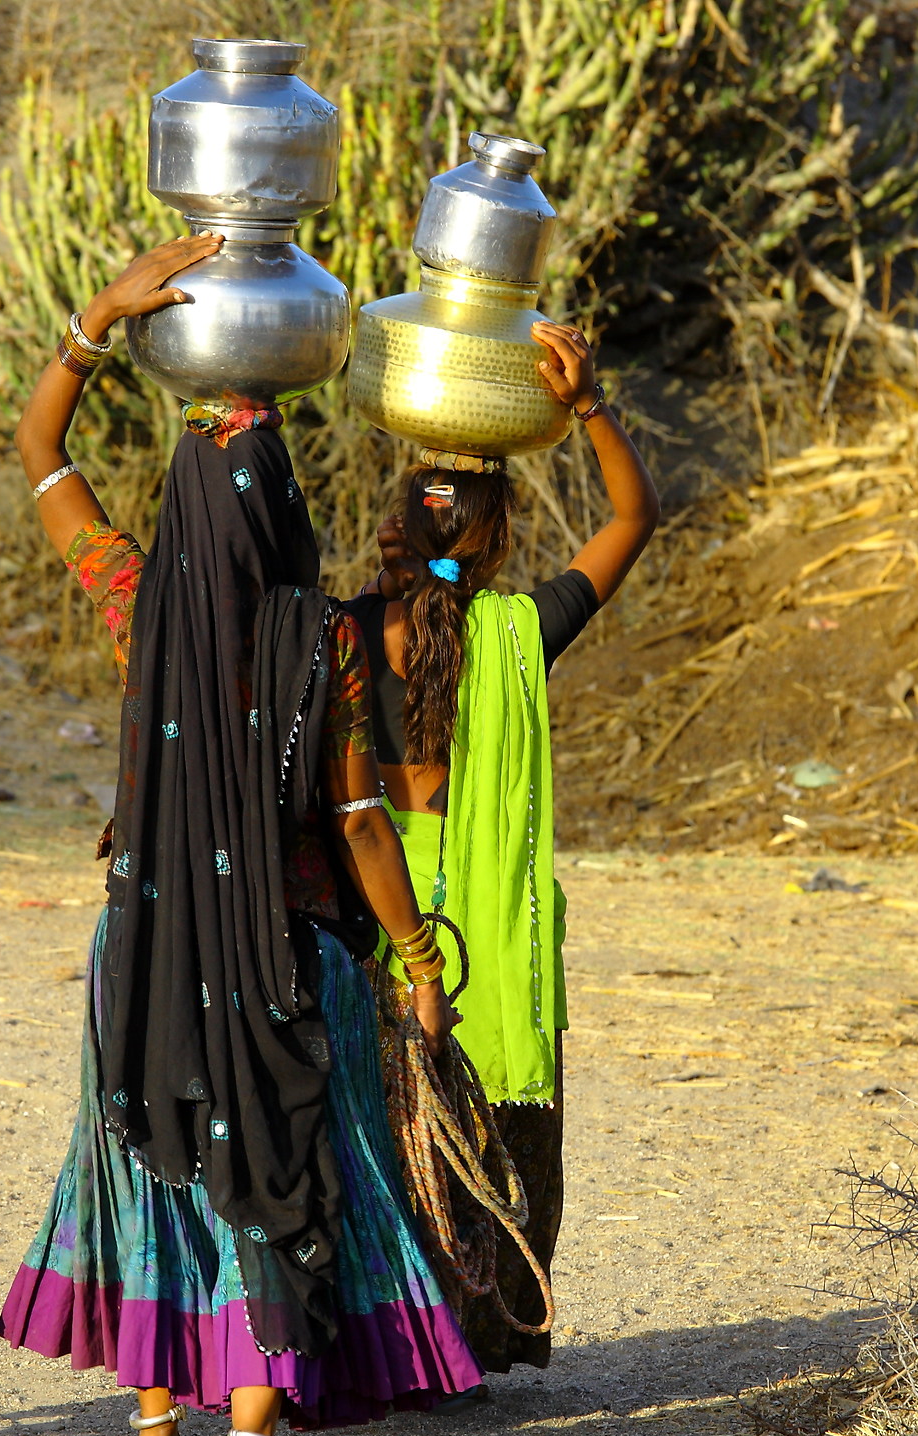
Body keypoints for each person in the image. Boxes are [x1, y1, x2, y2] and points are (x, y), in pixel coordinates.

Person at [0, 236, 477, 1436]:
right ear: (284, 515)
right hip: (288, 959)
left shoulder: (137, 600)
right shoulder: (326, 640)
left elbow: (40, 453)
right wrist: (416, 957)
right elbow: (363, 820)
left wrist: (99, 320)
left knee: (158, 1164)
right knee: (277, 1190)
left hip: (146, 948)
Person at [346, 320, 658, 1375]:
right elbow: (633, 516)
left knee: (385, 1130)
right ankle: (472, 1341)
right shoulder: (524, 635)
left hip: (381, 913)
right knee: (482, 1137)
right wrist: (588, 403)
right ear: (498, 539)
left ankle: (383, 1344)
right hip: (493, 942)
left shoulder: (346, 634)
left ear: (393, 534)